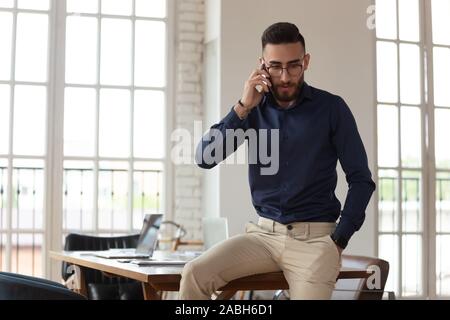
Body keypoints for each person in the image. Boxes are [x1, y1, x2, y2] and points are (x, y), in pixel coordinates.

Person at [179, 22, 376, 300]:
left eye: (293, 66)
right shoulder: (252, 111)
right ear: (262, 66)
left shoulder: (332, 109)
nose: (284, 77)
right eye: (275, 66)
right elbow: (204, 158)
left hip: (316, 242)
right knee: (195, 274)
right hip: (263, 236)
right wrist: (242, 106)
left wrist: (339, 239)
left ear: (306, 62)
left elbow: (361, 180)